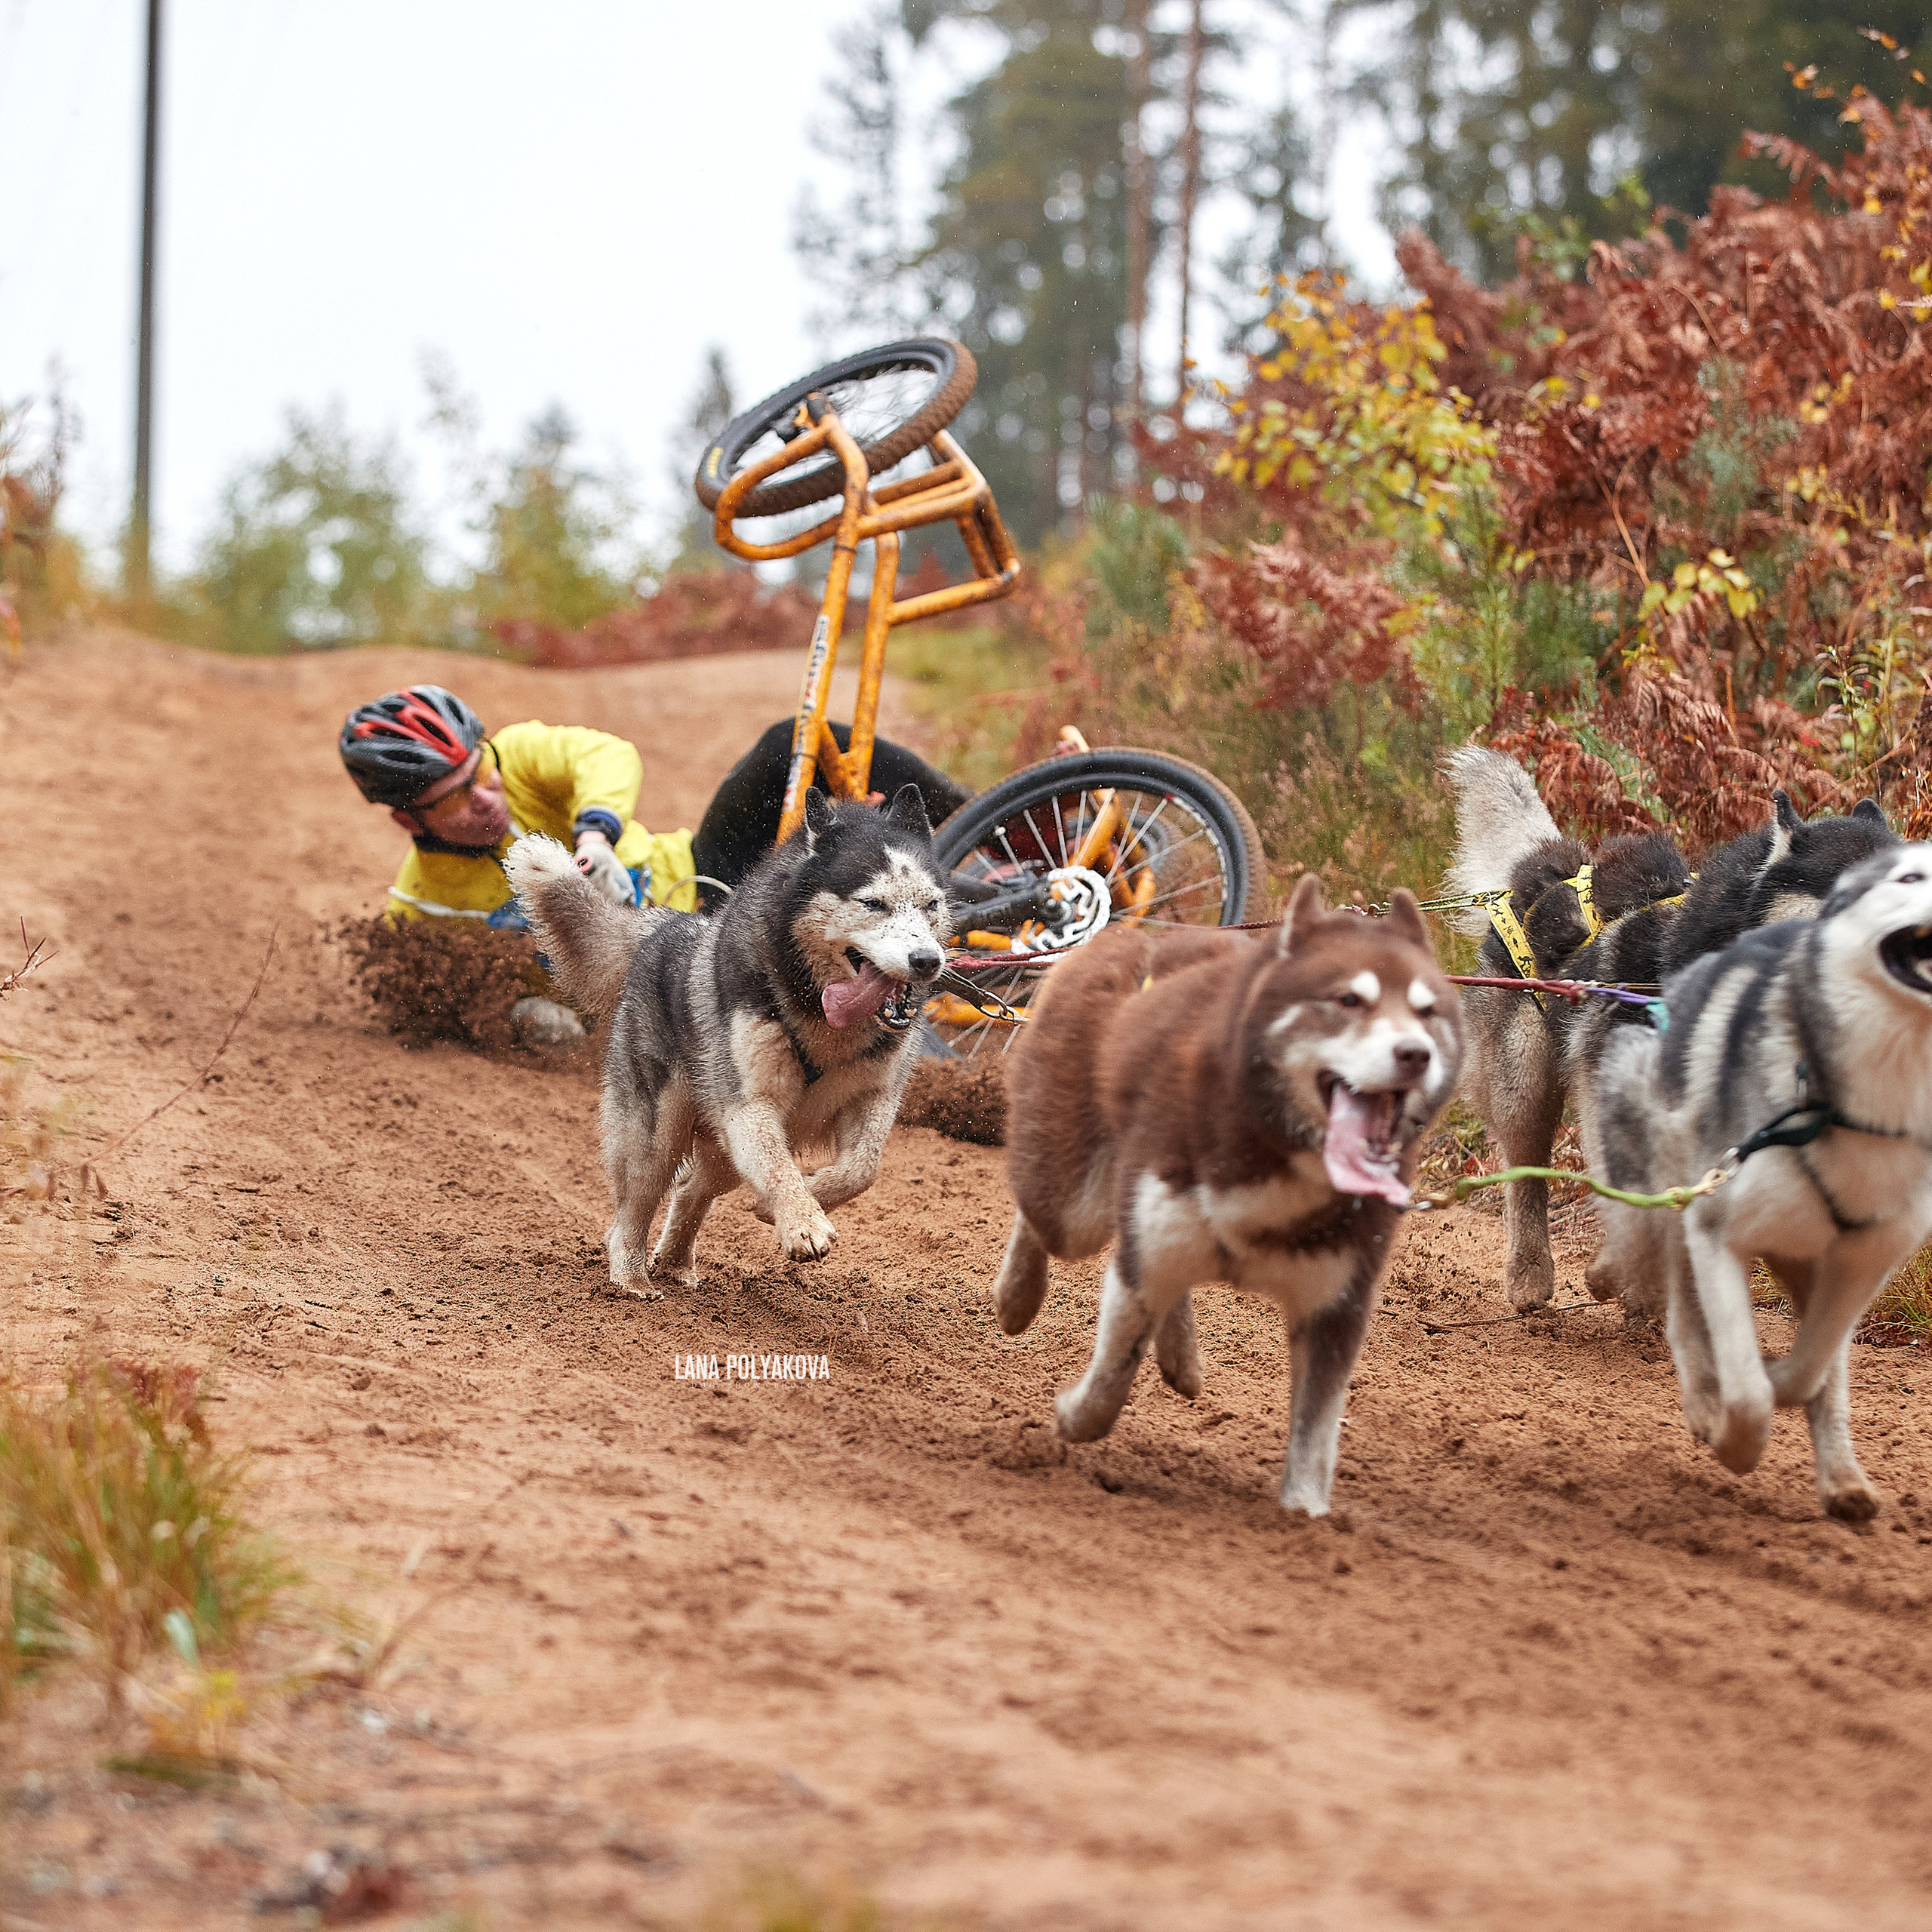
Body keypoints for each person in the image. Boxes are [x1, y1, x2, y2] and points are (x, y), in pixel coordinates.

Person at [337, 684, 971, 1038]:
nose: (485, 797)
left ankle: (1003, 825)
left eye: (481, 773)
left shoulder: (519, 754)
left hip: (705, 876)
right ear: (409, 820)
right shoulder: (421, 906)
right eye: (456, 797)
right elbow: (429, 1001)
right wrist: (517, 1016)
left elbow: (608, 757)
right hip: (688, 975)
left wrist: (595, 836)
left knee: (791, 741)